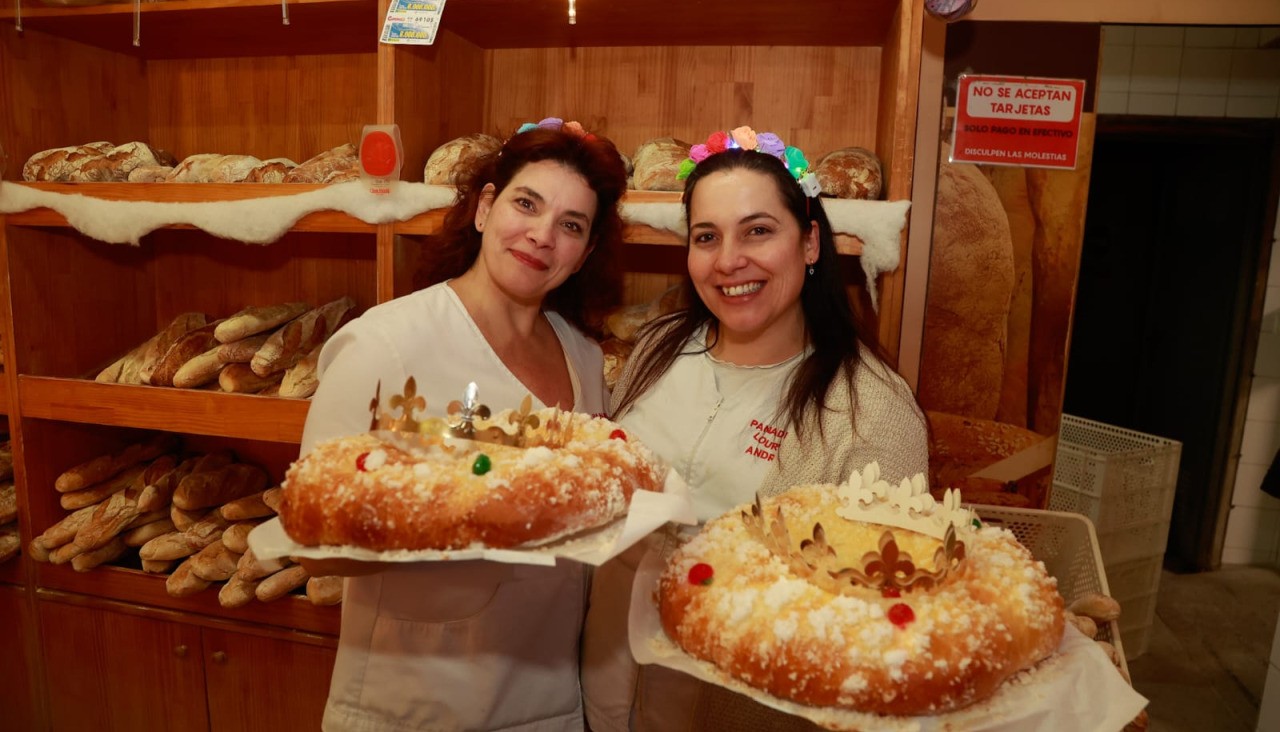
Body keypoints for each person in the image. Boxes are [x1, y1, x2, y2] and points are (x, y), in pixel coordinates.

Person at [580, 127, 929, 731]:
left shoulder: (871, 411)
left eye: (758, 231)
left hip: (746, 711)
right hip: (605, 691)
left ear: (811, 241)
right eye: (706, 237)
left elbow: (883, 613)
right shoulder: (659, 348)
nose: (728, 261)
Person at [297, 119, 628, 732]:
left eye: (571, 226)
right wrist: (467, 522)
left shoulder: (582, 357)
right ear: (483, 208)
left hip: (551, 700)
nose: (541, 236)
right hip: (416, 705)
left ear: (584, 253)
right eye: (525, 204)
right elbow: (314, 542)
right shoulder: (385, 345)